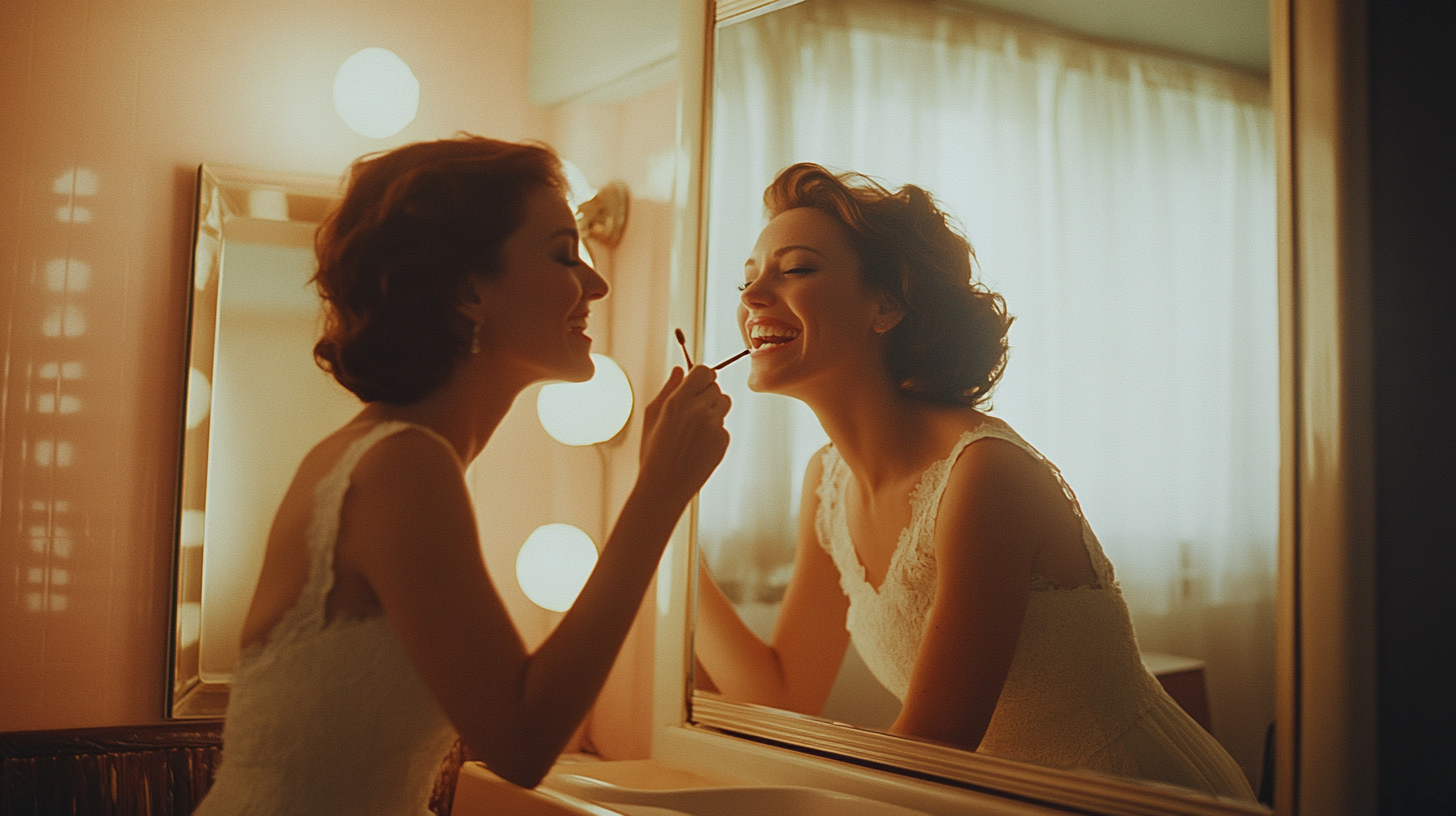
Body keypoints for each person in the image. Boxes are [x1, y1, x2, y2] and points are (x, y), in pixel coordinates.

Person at [193, 135, 730, 815]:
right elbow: (522, 741)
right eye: (565, 255)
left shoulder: (396, 456)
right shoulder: (401, 465)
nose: (596, 284)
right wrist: (658, 494)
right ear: (468, 290)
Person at [693, 162, 1256, 801]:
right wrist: (665, 512)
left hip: (1137, 794)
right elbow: (782, 689)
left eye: (793, 269)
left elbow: (931, 748)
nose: (751, 295)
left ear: (886, 304)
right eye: (748, 277)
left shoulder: (985, 476)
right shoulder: (827, 483)